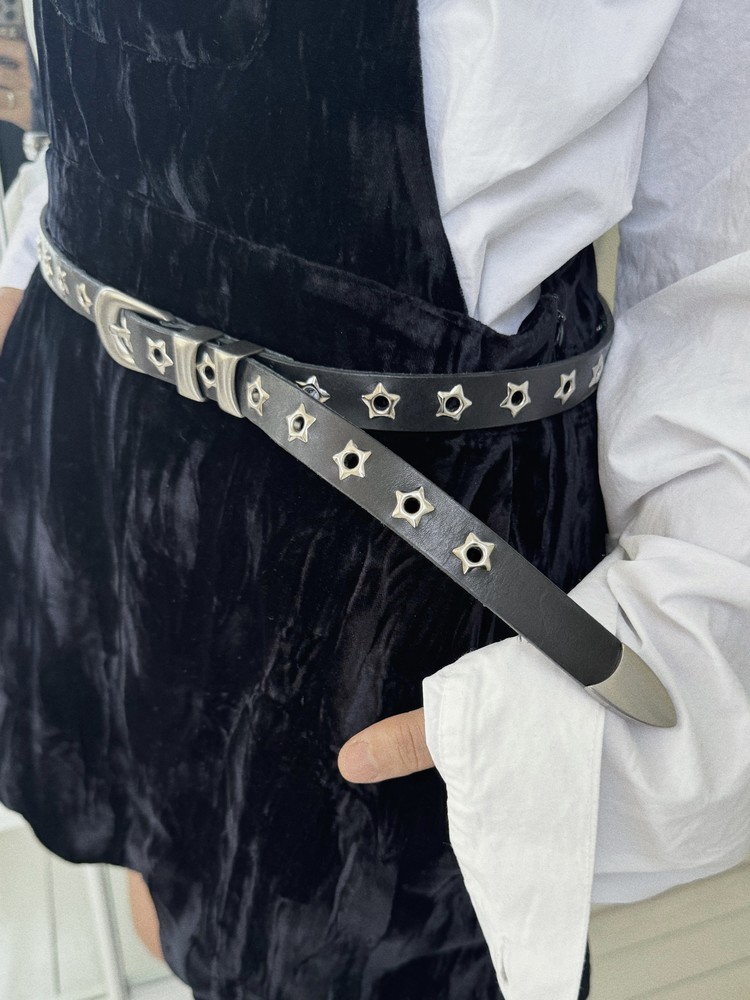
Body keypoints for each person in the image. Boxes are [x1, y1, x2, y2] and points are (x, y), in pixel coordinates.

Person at [0, 2, 748, 999]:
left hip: (388, 580)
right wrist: (29, 253)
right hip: (87, 443)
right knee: (154, 879)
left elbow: (722, 267)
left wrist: (642, 686)